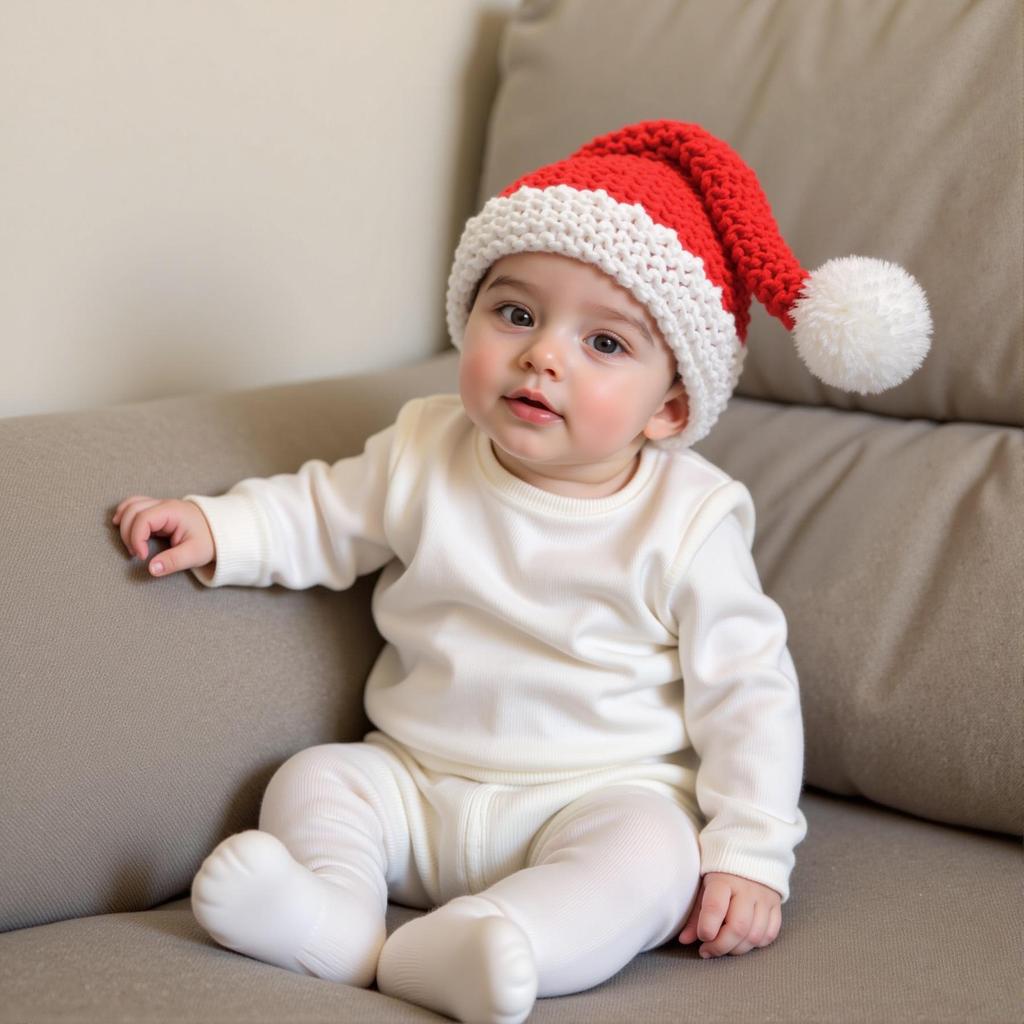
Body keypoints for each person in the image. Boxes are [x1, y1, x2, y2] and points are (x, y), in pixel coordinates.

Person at [111, 121, 931, 1024]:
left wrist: (749, 854)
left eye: (606, 344)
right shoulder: (425, 447)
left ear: (671, 408)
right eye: (516, 314)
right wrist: (216, 527)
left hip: (595, 798)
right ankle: (336, 917)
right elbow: (321, 513)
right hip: (416, 780)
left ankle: (500, 942)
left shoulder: (689, 520)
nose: (544, 354)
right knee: (312, 779)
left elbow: (749, 694)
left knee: (656, 859)